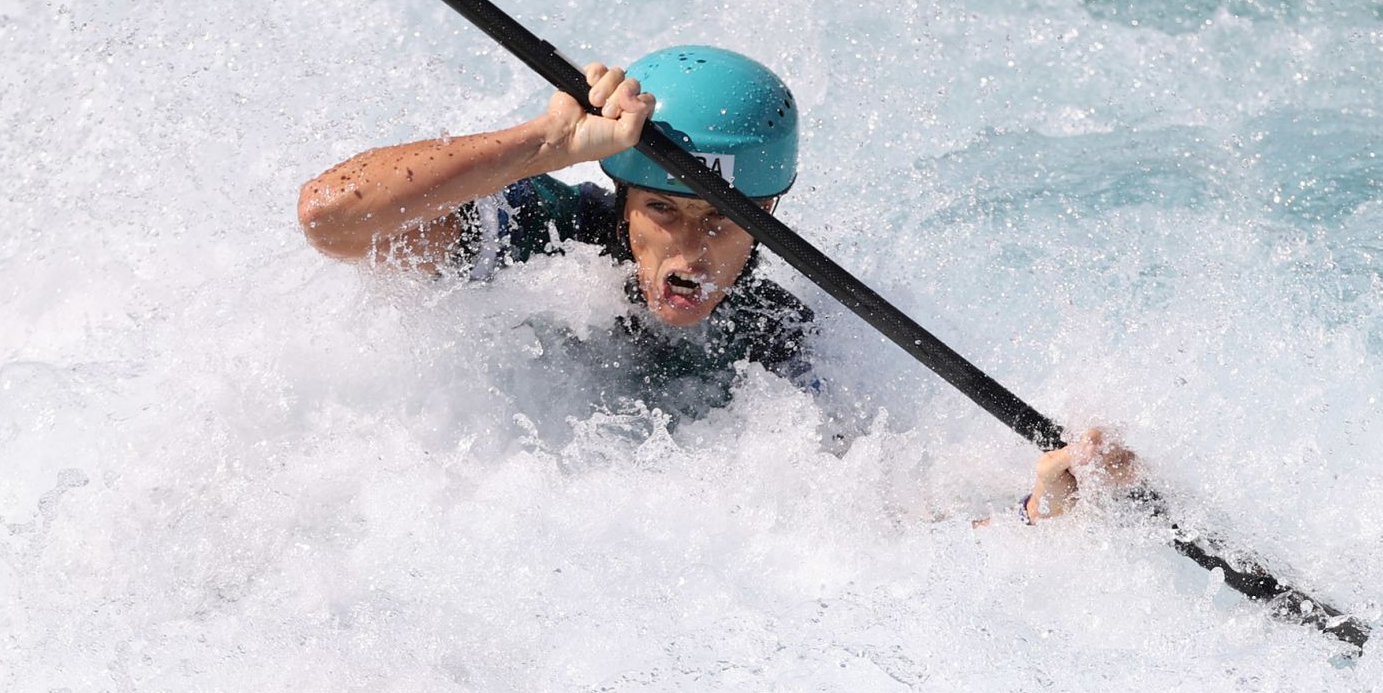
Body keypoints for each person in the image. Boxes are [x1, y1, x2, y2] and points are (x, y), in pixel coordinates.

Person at [297, 46, 1132, 520]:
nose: (689, 253)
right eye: (662, 209)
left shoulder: (780, 336)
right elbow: (331, 218)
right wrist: (542, 142)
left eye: (723, 222)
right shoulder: (542, 232)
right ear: (621, 193)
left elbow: (881, 522)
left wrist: (1042, 509)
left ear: (767, 217)